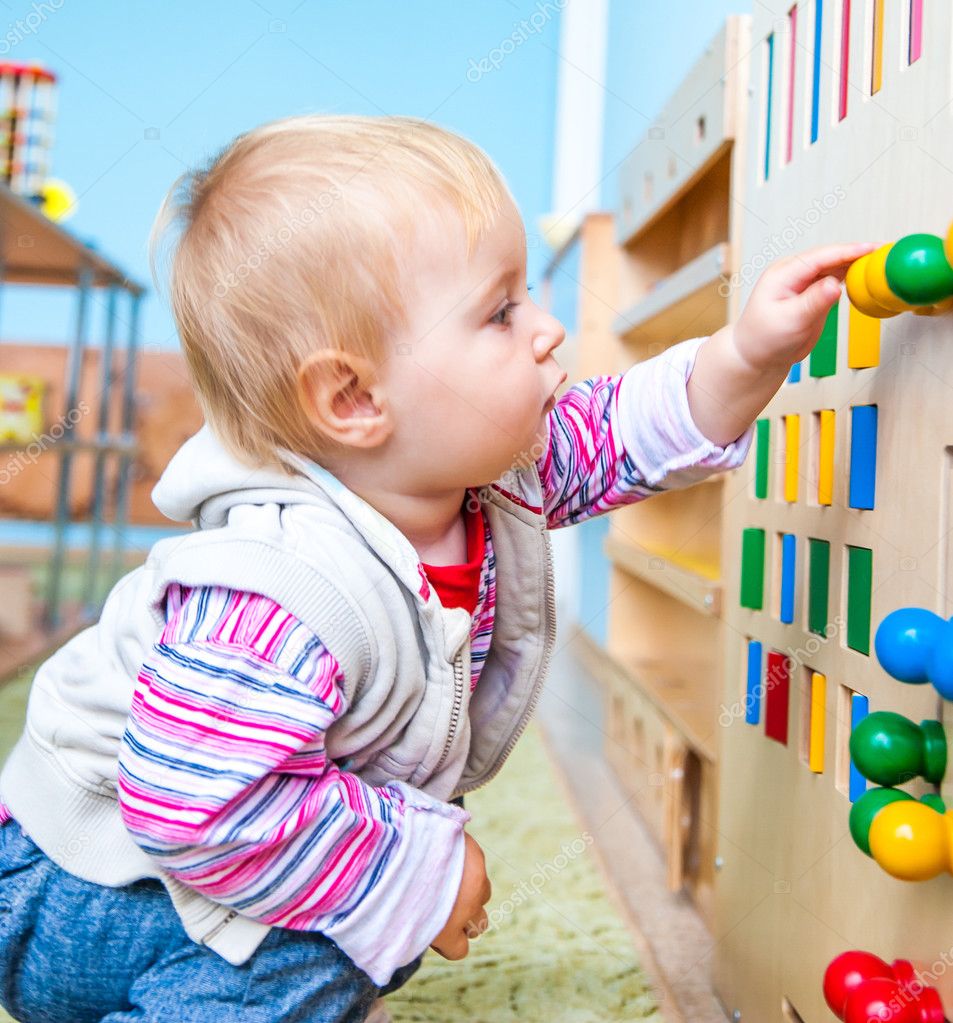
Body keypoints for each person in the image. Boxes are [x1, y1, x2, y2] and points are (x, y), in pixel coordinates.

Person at [0, 113, 873, 1023]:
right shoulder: (282, 589)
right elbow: (189, 808)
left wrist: (746, 353)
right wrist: (410, 866)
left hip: (167, 862)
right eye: (500, 312)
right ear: (353, 398)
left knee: (378, 917)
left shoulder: (487, 478)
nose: (548, 330)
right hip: (80, 884)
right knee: (355, 927)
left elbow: (622, 430)